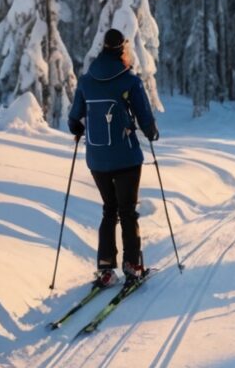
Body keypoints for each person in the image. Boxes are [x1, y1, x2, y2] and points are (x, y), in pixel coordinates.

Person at [68, 28, 159, 284]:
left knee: (110, 210)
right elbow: (143, 115)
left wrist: (76, 128)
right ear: (122, 49)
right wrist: (151, 132)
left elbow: (74, 118)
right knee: (128, 211)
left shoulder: (87, 80)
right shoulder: (128, 80)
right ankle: (132, 265)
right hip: (126, 158)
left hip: (97, 159)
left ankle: (106, 267)